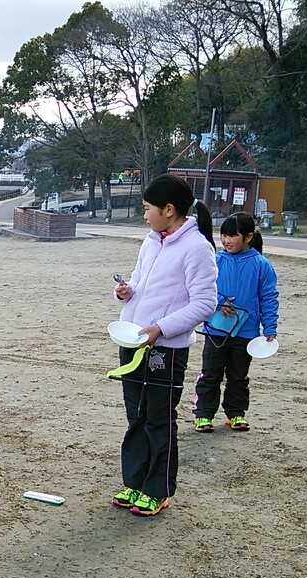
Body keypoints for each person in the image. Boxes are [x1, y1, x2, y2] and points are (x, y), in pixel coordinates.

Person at [111, 174, 218, 516]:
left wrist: (161, 328)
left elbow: (205, 303)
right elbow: (140, 282)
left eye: (147, 208)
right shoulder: (150, 242)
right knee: (136, 416)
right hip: (133, 339)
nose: (144, 215)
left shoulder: (197, 248)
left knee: (159, 418)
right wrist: (127, 291)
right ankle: (134, 482)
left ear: (168, 210)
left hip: (165, 349)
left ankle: (158, 490)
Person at [193, 212, 279, 433]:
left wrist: (270, 327)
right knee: (210, 374)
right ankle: (203, 414)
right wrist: (220, 301)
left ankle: (236, 413)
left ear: (248, 237)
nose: (226, 240)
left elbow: (269, 298)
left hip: (246, 332)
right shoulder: (216, 261)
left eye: (232, 235)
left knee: (238, 376)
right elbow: (201, 289)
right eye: (223, 235)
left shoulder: (261, 265)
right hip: (216, 330)